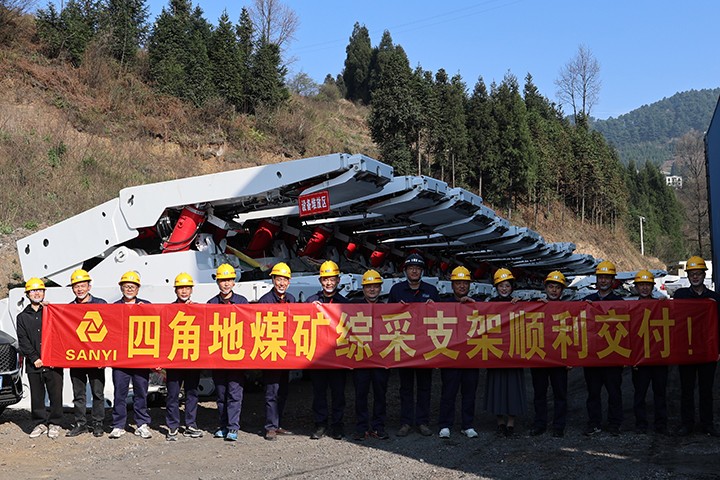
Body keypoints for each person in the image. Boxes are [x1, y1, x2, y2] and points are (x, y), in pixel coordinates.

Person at [388, 253, 439, 437]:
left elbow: (441, 318)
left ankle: (423, 422)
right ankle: (406, 422)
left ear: (422, 271)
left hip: (425, 347)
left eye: (417, 268)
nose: (414, 271)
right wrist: (396, 309)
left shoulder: (431, 291)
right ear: (405, 271)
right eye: (411, 268)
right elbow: (385, 316)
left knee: (425, 387)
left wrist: (434, 307)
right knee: (406, 387)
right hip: (404, 346)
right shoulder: (397, 290)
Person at [672, 256, 720, 437]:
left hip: (707, 351)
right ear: (688, 276)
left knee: (706, 390)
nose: (695, 277)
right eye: (692, 274)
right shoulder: (680, 296)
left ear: (704, 275)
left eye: (698, 273)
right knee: (687, 389)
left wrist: (719, 350)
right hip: (686, 350)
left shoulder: (714, 298)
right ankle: (687, 424)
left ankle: (707, 424)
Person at [16, 278, 64, 439]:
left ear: (44, 293)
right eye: (33, 291)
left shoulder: (53, 312)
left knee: (56, 394)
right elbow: (23, 340)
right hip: (34, 364)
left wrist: (53, 308)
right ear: (27, 294)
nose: (37, 293)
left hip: (53, 362)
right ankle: (40, 423)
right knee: (37, 396)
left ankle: (55, 423)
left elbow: (61, 334)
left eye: (40, 290)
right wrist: (34, 357)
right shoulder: (22, 317)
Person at [307, 260, 349, 440]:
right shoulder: (311, 301)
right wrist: (310, 309)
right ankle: (320, 424)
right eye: (325, 279)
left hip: (338, 356)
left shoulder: (345, 303)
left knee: (338, 393)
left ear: (338, 280)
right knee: (319, 393)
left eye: (332, 279)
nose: (329, 283)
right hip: (318, 356)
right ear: (320, 281)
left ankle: (337, 425)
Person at [207, 263, 249, 442]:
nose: (225, 284)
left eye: (229, 280)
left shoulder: (242, 302)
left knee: (234, 392)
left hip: (237, 356)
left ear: (234, 282)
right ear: (218, 282)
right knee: (221, 393)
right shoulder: (211, 304)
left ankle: (233, 427)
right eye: (222, 280)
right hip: (218, 356)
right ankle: (223, 426)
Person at [109, 271, 153, 440]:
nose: (129, 289)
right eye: (126, 286)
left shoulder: (146, 306)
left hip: (141, 357)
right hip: (120, 359)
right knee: (119, 393)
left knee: (141, 392)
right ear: (121, 288)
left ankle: (142, 423)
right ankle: (118, 425)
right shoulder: (114, 308)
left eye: (132, 286)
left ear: (138, 289)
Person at [582, 260, 624, 437]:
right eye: (601, 277)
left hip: (613, 354)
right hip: (592, 355)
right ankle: (594, 423)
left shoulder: (619, 302)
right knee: (593, 393)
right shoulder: (587, 301)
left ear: (612, 280)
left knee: (614, 392)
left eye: (607, 277)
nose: (603, 280)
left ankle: (614, 423)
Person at [438, 266, 479, 439]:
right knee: (448, 392)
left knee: (469, 392)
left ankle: (467, 425)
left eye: (465, 283)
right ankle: (445, 424)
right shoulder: (444, 304)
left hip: (471, 355)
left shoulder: (478, 304)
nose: (462, 286)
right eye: (458, 283)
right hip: (451, 356)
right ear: (452, 285)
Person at [484, 268, 526, 437]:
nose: (504, 289)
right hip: (496, 352)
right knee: (498, 386)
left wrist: (521, 305)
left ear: (512, 287)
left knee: (512, 386)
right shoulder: (490, 304)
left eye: (507, 285)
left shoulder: (517, 304)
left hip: (513, 352)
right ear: (496, 287)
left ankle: (511, 422)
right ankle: (500, 421)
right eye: (501, 285)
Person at [66, 269, 107, 438]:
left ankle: (98, 423)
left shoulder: (101, 304)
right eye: (76, 286)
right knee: (79, 394)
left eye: (82, 286)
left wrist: (105, 357)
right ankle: (80, 423)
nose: (80, 289)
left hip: (96, 358)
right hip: (77, 358)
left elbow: (111, 330)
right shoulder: (68, 309)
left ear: (89, 286)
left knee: (98, 393)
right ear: (72, 289)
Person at [257, 262, 295, 441]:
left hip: (286, 353)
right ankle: (270, 426)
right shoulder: (265, 300)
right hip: (271, 352)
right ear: (273, 280)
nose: (281, 283)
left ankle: (277, 423)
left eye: (284, 280)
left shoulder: (292, 299)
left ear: (289, 282)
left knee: (283, 390)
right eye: (278, 279)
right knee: (271, 391)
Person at [530, 271, 569, 438]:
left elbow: (575, 334)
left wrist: (571, 358)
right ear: (545, 288)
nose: (554, 290)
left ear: (562, 290)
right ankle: (540, 424)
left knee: (560, 394)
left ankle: (559, 426)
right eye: (551, 287)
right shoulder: (536, 306)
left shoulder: (568, 309)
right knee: (540, 394)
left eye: (557, 288)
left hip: (559, 358)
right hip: (539, 357)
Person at [352, 269, 391, 441]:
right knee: (361, 394)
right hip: (361, 358)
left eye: (375, 286)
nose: (372, 289)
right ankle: (361, 427)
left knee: (380, 394)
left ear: (380, 288)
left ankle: (378, 426)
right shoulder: (353, 307)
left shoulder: (388, 309)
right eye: (369, 287)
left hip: (381, 358)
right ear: (363, 289)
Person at [164, 273, 203, 441]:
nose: (184, 291)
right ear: (176, 290)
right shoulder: (168, 310)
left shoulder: (199, 310)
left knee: (192, 393)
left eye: (187, 288)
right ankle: (172, 426)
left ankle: (190, 424)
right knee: (172, 394)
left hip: (192, 358)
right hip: (174, 359)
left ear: (191, 290)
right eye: (181, 288)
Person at [631, 270, 668, 435]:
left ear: (652, 287)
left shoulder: (660, 305)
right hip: (640, 359)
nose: (644, 288)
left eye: (647, 285)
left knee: (660, 393)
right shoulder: (631, 308)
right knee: (640, 394)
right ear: (636, 287)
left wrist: (666, 304)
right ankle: (641, 424)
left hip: (658, 357)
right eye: (641, 285)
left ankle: (661, 424)